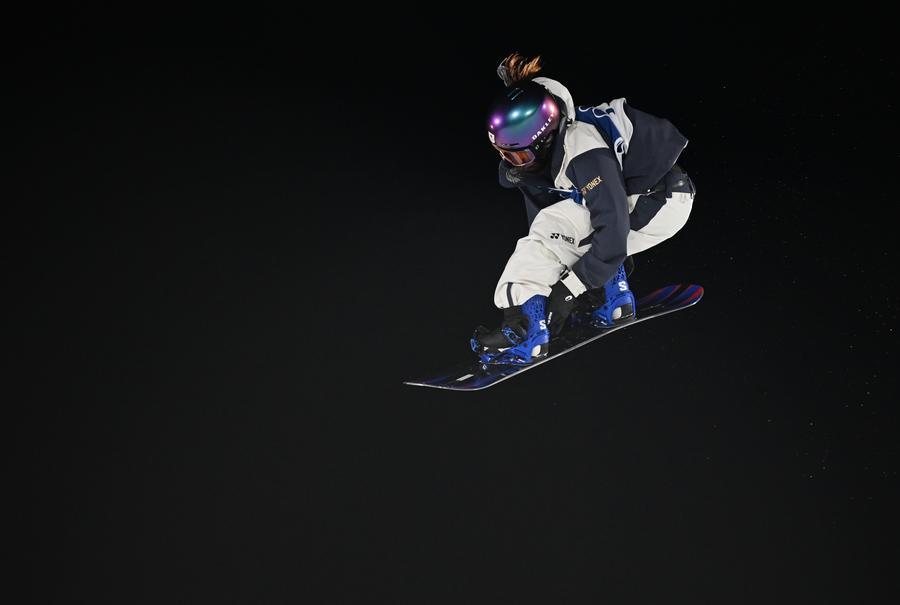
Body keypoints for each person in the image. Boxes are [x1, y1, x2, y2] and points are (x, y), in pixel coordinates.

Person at [471, 52, 695, 364]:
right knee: (561, 233)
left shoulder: (583, 150)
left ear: (543, 137)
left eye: (520, 155)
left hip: (659, 201)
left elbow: (612, 227)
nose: (515, 163)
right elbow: (558, 228)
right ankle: (613, 297)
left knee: (543, 242)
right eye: (506, 155)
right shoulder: (550, 157)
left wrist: (568, 290)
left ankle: (522, 329)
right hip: (652, 201)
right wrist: (567, 285)